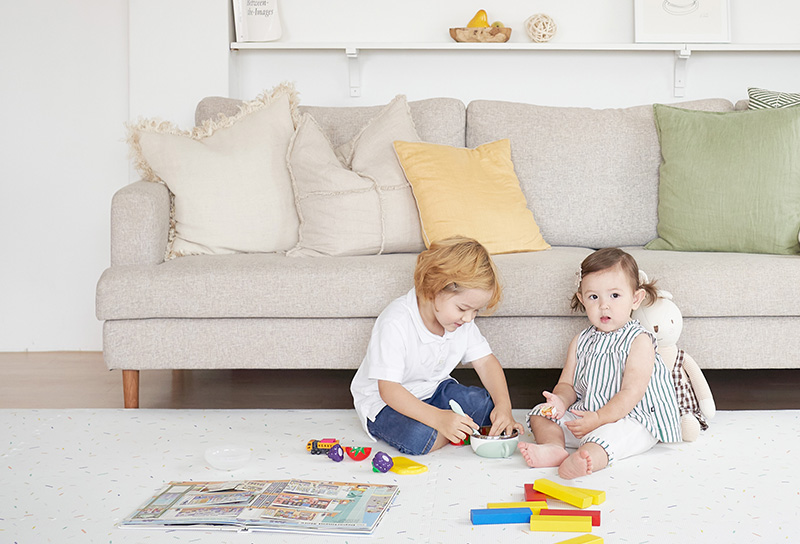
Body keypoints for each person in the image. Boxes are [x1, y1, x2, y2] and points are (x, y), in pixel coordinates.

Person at [351, 236, 523, 455]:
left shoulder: (462, 322)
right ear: (434, 289)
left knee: (485, 406)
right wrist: (439, 419)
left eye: (476, 311)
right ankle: (448, 429)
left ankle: (451, 427)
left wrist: (504, 406)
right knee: (419, 436)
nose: (469, 318)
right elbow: (389, 390)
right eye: (462, 309)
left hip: (434, 390)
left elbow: (486, 362)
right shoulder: (395, 321)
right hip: (385, 402)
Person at [519, 248, 681, 479]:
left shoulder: (639, 341)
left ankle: (587, 458)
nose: (604, 305)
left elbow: (631, 392)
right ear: (582, 299)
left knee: (607, 439)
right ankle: (553, 447)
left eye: (614, 296)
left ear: (635, 299)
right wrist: (560, 402)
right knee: (539, 415)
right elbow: (567, 384)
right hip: (588, 415)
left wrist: (599, 419)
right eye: (594, 297)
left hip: (633, 418)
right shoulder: (580, 341)